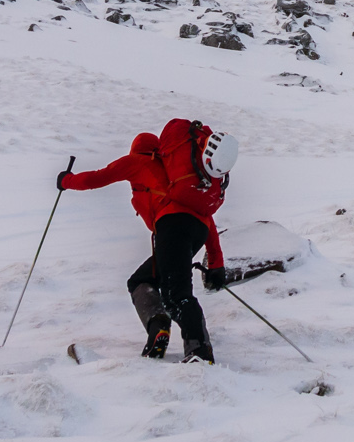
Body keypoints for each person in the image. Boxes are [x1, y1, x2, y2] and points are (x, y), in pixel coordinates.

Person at [58, 119, 238, 362]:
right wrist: (216, 263)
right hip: (195, 231)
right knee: (141, 280)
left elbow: (97, 178)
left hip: (173, 229)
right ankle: (158, 326)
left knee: (177, 295)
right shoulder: (181, 180)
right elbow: (204, 216)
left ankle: (199, 352)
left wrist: (66, 181)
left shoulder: (138, 161)